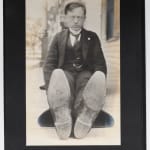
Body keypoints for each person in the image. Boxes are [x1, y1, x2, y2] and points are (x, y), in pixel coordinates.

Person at [43, 2, 107, 139]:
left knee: (85, 83)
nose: (76, 21)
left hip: (85, 73)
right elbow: (49, 64)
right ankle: (62, 113)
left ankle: (84, 115)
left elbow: (100, 63)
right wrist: (50, 87)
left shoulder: (92, 37)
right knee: (60, 76)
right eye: (72, 17)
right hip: (65, 73)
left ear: (84, 19)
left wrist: (99, 78)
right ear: (65, 18)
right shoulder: (58, 38)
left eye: (80, 17)